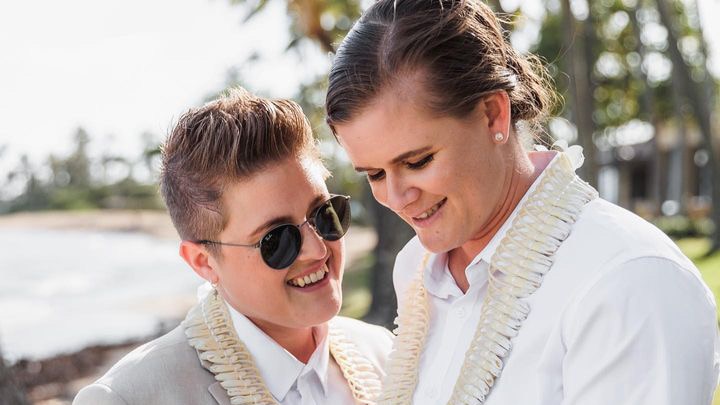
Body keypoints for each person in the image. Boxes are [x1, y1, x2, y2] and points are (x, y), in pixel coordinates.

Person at [325, 0, 720, 404]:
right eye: (374, 174)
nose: (396, 197)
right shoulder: (416, 270)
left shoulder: (628, 283)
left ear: (494, 114)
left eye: (418, 161)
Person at [73, 88, 393, 405]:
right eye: (277, 239)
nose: (317, 250)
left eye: (325, 214)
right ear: (203, 261)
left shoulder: (384, 355)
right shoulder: (126, 398)